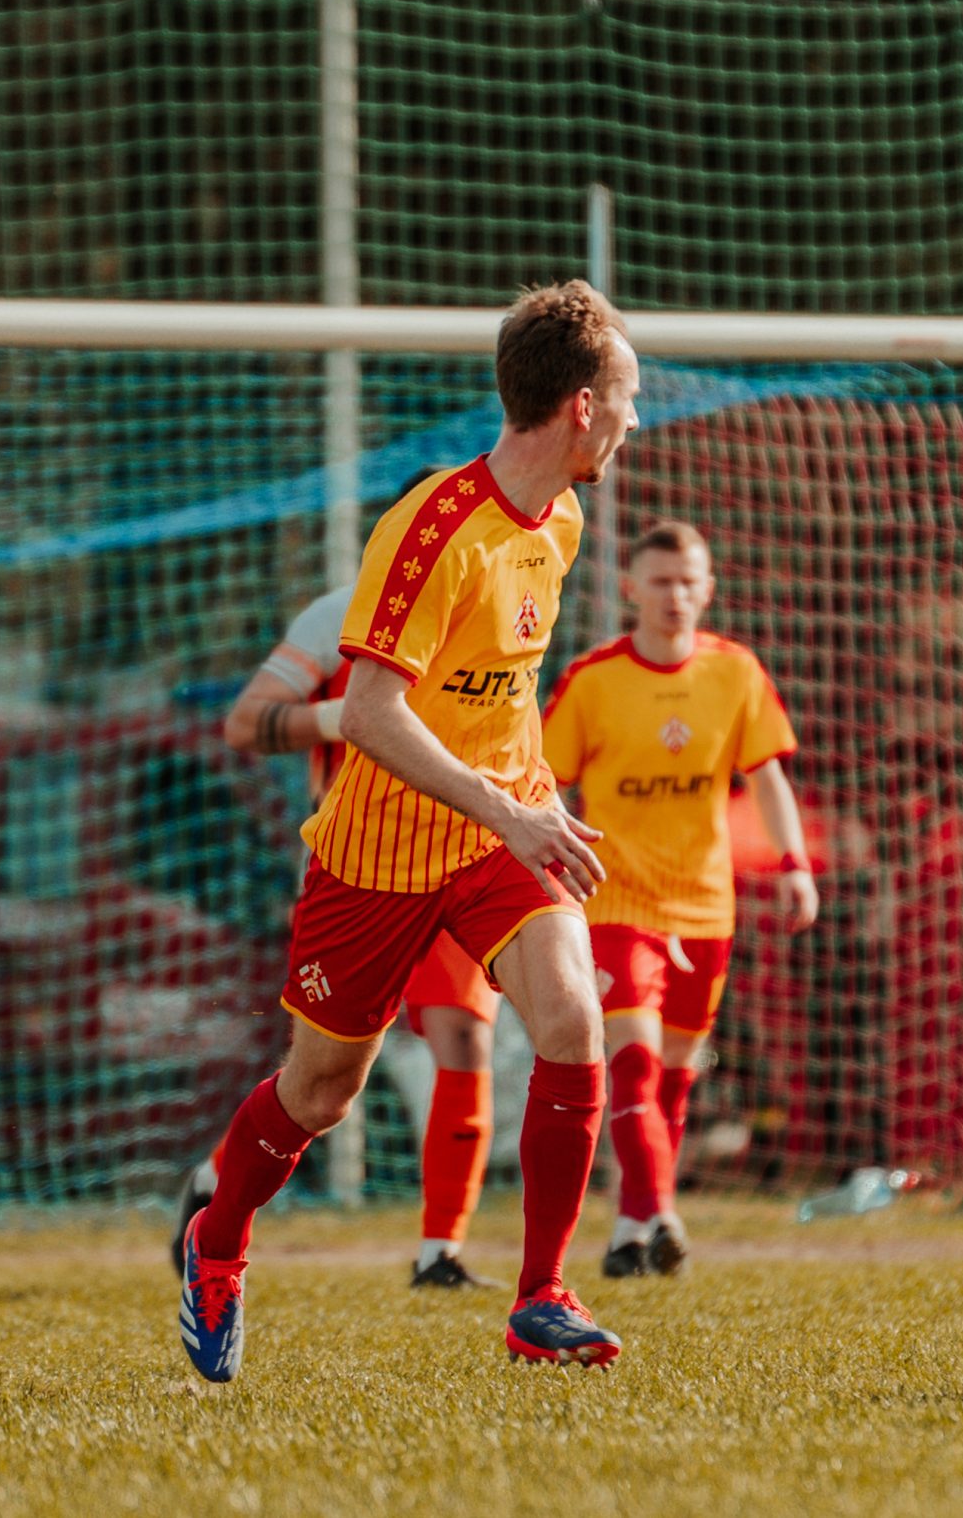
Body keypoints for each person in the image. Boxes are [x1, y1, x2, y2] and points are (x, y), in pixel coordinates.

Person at [175, 280, 640, 1380]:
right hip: (377, 855)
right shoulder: (435, 529)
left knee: (573, 1017)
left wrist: (527, 803)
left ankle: (542, 1297)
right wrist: (509, 808)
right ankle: (216, 1240)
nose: (634, 419)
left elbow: (502, 690)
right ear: (581, 405)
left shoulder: (561, 520)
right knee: (320, 1092)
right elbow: (372, 714)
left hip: (495, 835)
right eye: (627, 397)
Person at [179, 544, 504, 1291]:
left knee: (465, 1036)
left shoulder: (498, 611)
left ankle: (440, 1253)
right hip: (360, 867)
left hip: (464, 854)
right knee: (322, 1075)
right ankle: (215, 1186)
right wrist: (357, 715)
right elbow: (245, 723)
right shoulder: (341, 615)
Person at [543, 520, 817, 1278]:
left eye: (688, 581)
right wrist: (556, 855)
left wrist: (795, 864)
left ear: (709, 589)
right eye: (661, 581)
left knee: (673, 1079)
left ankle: (632, 1232)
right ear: (631, 588)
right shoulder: (593, 680)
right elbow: (543, 780)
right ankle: (662, 1211)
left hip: (705, 908)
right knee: (631, 1065)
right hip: (616, 902)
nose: (675, 596)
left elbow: (767, 777)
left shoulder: (735, 672)